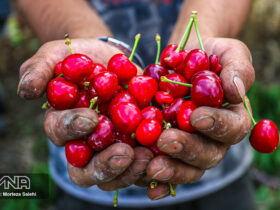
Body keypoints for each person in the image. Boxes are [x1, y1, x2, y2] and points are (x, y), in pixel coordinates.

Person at [17, 0, 256, 209]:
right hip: (90, 179)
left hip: (217, 170)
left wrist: (201, 35)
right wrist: (86, 38)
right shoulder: (102, 92)